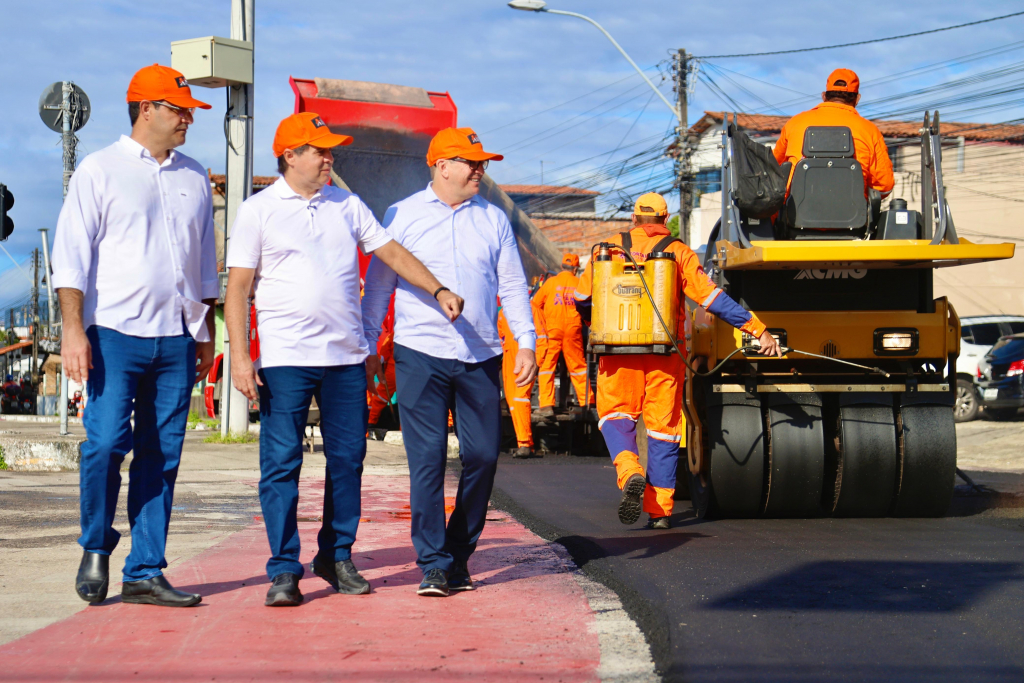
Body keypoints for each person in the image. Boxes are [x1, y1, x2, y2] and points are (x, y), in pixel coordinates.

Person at [225, 112, 464, 607]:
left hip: (346, 359)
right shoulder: (258, 210)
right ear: (290, 156)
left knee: (348, 462)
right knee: (281, 465)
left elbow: (392, 253)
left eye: (331, 150)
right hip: (286, 358)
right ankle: (284, 570)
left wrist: (437, 287)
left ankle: (335, 556)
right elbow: (239, 289)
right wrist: (241, 358)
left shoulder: (347, 205)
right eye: (320, 150)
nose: (329, 157)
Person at [53, 64, 217, 607]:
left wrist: (205, 329)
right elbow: (72, 256)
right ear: (146, 108)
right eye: (180, 109)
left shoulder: (195, 176)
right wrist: (72, 329)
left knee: (162, 454)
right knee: (103, 444)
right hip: (113, 335)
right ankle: (97, 544)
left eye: (190, 111)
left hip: (176, 336)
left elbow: (203, 262)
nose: (188, 119)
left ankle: (145, 569)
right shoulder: (99, 171)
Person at [362, 126, 537, 597]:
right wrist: (368, 344)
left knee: (482, 456)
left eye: (481, 163)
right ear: (441, 166)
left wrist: (526, 341)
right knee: (428, 460)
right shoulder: (402, 215)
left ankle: (459, 551)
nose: (480, 169)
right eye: (471, 162)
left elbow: (513, 285)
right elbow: (379, 285)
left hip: (480, 353)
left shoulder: (494, 218)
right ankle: (435, 564)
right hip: (420, 352)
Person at [575, 193, 780, 530]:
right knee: (663, 431)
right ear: (664, 217)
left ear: (634, 218)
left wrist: (596, 325)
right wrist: (758, 330)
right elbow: (712, 298)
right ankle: (660, 513)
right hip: (665, 354)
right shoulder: (679, 252)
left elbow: (582, 299)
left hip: (615, 353)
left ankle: (629, 472)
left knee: (615, 416)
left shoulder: (606, 249)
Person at [773, 68, 894, 198]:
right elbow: (884, 186)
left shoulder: (795, 123)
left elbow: (772, 168)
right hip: (853, 216)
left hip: (794, 215)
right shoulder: (869, 130)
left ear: (824, 96)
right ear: (857, 99)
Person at [534, 253, 593, 415]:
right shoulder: (579, 283)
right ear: (575, 269)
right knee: (578, 367)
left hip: (551, 330)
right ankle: (586, 401)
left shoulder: (550, 283)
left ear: (562, 267)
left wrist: (541, 327)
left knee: (547, 367)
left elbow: (535, 304)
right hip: (573, 330)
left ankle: (546, 405)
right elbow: (587, 306)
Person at [497, 304, 535, 458]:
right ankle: (524, 442)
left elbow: (541, 336)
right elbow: (500, 336)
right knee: (513, 402)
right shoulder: (502, 313)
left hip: (526, 356)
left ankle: (525, 442)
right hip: (509, 358)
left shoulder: (530, 309)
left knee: (519, 399)